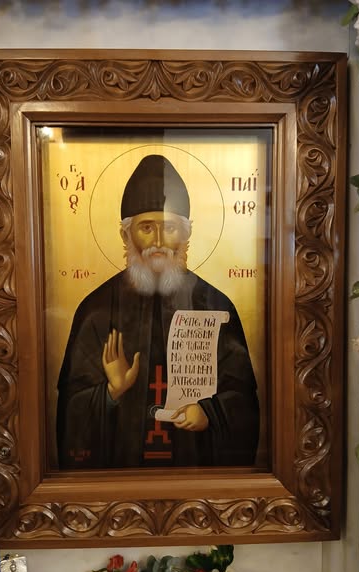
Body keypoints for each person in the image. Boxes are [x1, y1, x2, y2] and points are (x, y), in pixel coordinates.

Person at [56, 154, 259, 469]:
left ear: (187, 234)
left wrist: (209, 413)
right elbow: (71, 412)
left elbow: (242, 398)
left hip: (196, 474)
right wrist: (110, 392)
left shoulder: (215, 307)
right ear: (126, 235)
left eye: (170, 227)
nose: (159, 241)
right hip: (119, 475)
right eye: (146, 228)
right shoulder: (96, 311)